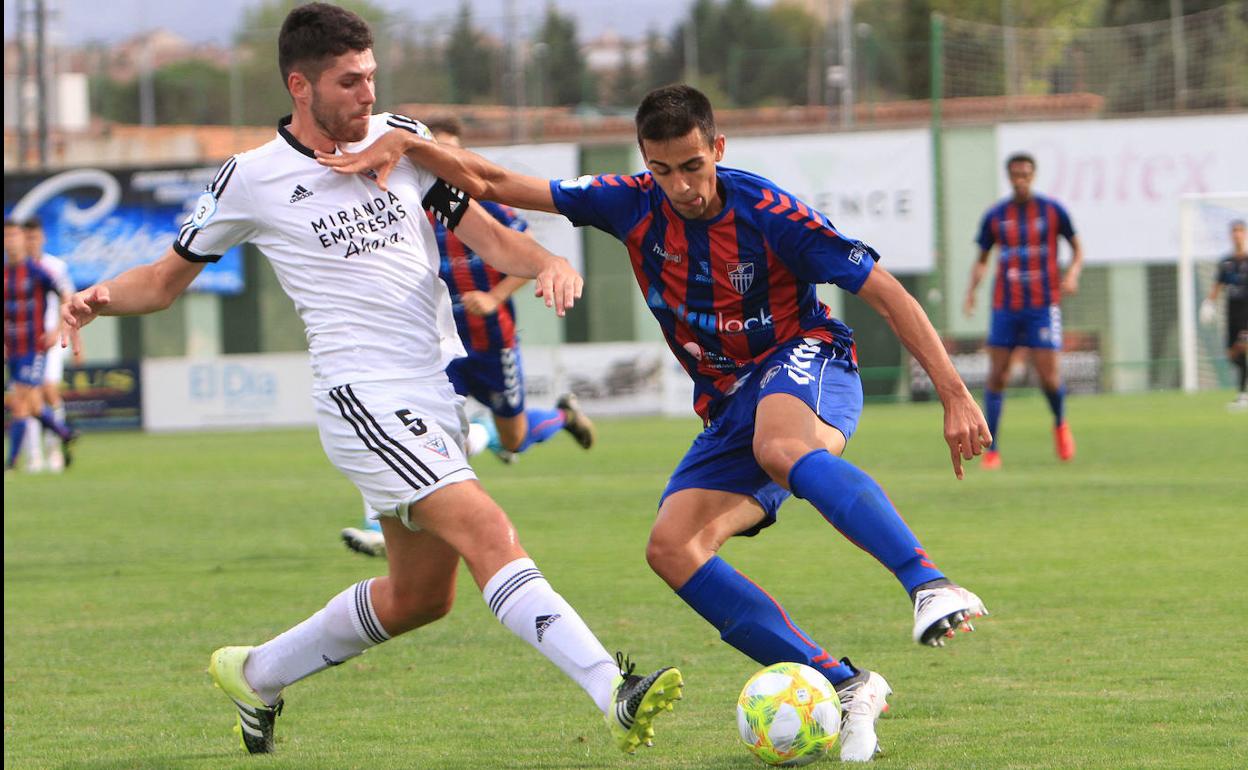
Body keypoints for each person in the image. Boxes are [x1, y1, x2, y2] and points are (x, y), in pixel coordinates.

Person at [59, 4, 681, 757]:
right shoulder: (253, 179)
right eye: (349, 81)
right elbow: (160, 283)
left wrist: (546, 262)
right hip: (361, 395)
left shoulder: (402, 144)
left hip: (431, 389)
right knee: (488, 530)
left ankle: (256, 673)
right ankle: (612, 690)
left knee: (422, 598)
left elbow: (490, 237)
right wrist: (97, 296)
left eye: (372, 77)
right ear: (301, 85)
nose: (365, 94)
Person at [319, 83, 991, 763]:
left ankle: (929, 583)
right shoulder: (629, 201)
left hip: (806, 359)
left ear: (717, 150)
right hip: (729, 404)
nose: (681, 187)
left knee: (782, 443)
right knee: (672, 549)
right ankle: (848, 685)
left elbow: (885, 289)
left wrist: (955, 394)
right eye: (663, 170)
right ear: (645, 161)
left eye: (693, 167)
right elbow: (494, 181)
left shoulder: (769, 212)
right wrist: (409, 144)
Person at [341, 114, 597, 559]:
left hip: (491, 342)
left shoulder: (482, 204)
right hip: (438, 347)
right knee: (412, 430)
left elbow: (520, 251)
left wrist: (495, 297)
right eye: (435, 149)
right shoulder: (406, 204)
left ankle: (561, 417)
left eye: (451, 151)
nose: (444, 160)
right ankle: (381, 526)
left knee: (513, 437)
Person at [963, 152, 1083, 469]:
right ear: (1009, 176)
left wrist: (1072, 273)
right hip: (1005, 307)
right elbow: (982, 258)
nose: (1021, 179)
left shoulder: (1052, 211)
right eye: (1015, 174)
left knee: (1048, 376)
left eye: (1026, 174)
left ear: (1033, 175)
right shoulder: (996, 216)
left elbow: (1077, 247)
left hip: (1042, 306)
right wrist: (971, 292)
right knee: (998, 375)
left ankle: (1060, 422)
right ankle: (993, 449)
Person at [4, 219, 76, 473]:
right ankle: (65, 433)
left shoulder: (37, 271)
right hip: (12, 348)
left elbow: (65, 294)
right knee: (33, 405)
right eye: (7, 237)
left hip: (36, 346)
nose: (11, 242)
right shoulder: (5, 273)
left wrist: (58, 329)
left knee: (21, 403)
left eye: (14, 236)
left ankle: (12, 463)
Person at [22, 217, 81, 471]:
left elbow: (68, 301)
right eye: (27, 237)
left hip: (51, 340)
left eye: (35, 237)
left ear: (42, 238)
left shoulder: (55, 267)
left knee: (48, 392)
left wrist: (59, 332)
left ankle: (55, 449)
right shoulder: (15, 269)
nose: (31, 242)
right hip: (23, 341)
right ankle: (34, 456)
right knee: (26, 398)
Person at [1200, 219, 1248, 409]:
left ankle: (1243, 396)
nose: (1237, 235)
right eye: (1234, 231)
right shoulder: (1225, 263)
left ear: (1245, 234)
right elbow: (1217, 286)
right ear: (1231, 235)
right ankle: (1243, 394)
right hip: (1231, 312)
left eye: (1240, 231)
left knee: (1244, 346)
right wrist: (1208, 304)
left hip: (1247, 312)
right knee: (1232, 354)